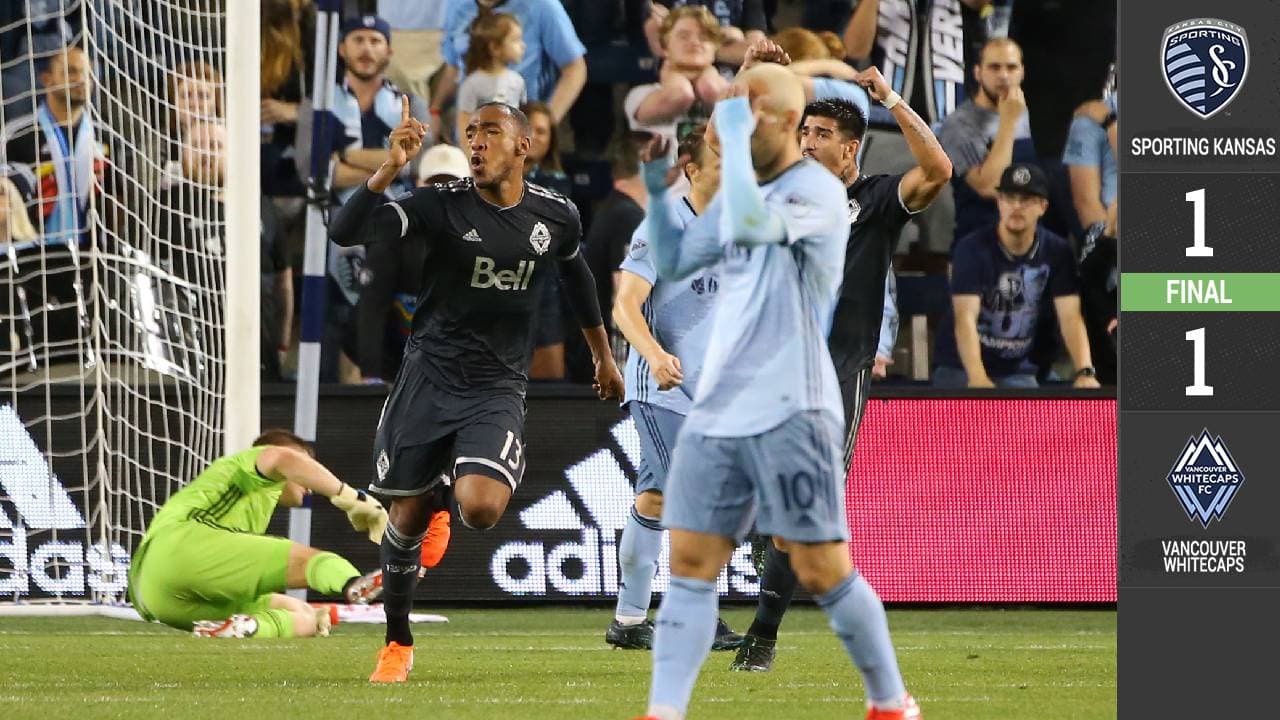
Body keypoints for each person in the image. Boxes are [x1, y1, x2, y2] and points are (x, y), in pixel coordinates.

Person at [632, 63, 920, 720]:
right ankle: (664, 710)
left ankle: (890, 700)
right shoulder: (750, 187)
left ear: (784, 122)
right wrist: (656, 187)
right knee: (693, 560)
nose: (737, 118)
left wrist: (730, 144)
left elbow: (751, 227)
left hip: (794, 402)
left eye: (751, 109)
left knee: (820, 566)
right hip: (721, 399)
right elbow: (678, 257)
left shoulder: (817, 192)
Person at [327, 98, 624, 683]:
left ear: (524, 145)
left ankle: (446, 493)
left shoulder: (556, 215)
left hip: (496, 385)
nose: (477, 142)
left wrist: (603, 356)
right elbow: (346, 231)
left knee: (482, 509)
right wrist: (389, 168)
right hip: (428, 378)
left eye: (490, 131)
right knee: (406, 518)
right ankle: (397, 641)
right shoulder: (441, 204)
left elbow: (578, 277)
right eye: (470, 133)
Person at [732, 88, 951, 674]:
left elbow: (938, 170)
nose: (807, 143)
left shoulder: (875, 200)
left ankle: (762, 635)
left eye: (822, 135)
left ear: (851, 149)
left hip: (837, 374)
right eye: (804, 132)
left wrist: (893, 101)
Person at [606, 125, 740, 653]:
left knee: (662, 499)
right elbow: (624, 307)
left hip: (711, 393)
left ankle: (631, 620)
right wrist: (655, 355)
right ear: (693, 170)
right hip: (661, 388)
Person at [126, 429, 387, 639]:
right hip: (181, 547)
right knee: (312, 561)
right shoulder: (250, 462)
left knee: (304, 616)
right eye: (308, 464)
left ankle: (249, 627)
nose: (310, 482)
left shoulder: (253, 501)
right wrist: (350, 497)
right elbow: (281, 457)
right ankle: (353, 584)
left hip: (154, 596)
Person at [931, 163, 1100, 389]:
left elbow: (1070, 316)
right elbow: (965, 318)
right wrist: (978, 378)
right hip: (959, 367)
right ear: (999, 202)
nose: (1016, 206)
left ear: (1043, 207)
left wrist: (1085, 371)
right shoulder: (971, 249)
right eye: (1009, 198)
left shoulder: (1057, 251)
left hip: (1016, 371)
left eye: (1026, 200)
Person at [936, 37, 1037, 247]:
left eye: (1011, 67)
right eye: (994, 67)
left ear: (1022, 72)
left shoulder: (1032, 116)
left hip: (1030, 241)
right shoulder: (959, 124)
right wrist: (1008, 122)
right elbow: (988, 187)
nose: (1003, 76)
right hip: (978, 242)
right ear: (977, 72)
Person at [434, 0, 587, 138]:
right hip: (472, 137)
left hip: (520, 138)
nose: (522, 46)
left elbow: (574, 69)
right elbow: (453, 67)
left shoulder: (543, 6)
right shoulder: (456, 5)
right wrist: (435, 109)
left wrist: (542, 128)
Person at [625, 5, 728, 151]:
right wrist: (671, 74)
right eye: (683, 36)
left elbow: (715, 92)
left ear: (715, 50)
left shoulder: (738, 90)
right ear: (665, 48)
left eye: (703, 37)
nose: (695, 42)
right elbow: (679, 95)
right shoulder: (640, 95)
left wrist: (709, 83)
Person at [456, 9, 527, 144]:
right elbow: (464, 126)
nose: (523, 45)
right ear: (495, 47)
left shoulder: (517, 81)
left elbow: (522, 120)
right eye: (515, 40)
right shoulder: (472, 85)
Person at [643, 0, 768, 66]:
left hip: (730, 83)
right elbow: (659, 45)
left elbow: (758, 53)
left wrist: (688, 42)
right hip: (678, 79)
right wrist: (722, 37)